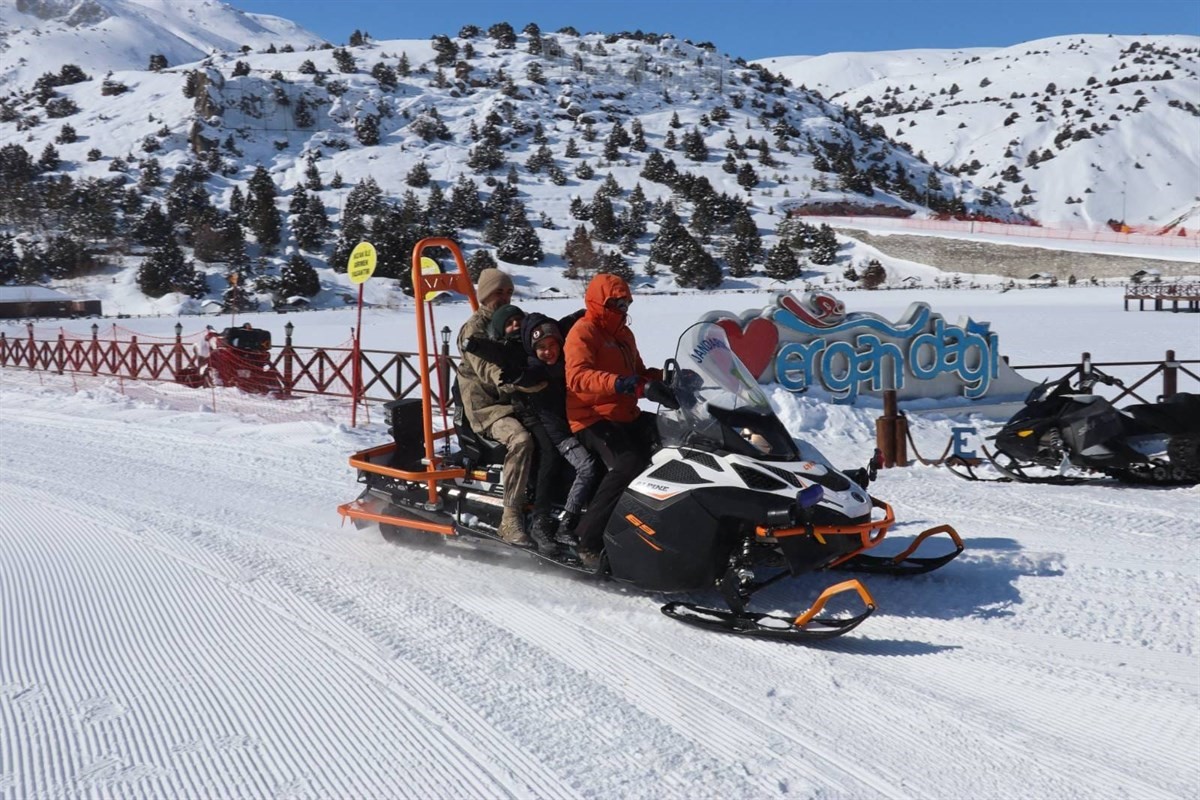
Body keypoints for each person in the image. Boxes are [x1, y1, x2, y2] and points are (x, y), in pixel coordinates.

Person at [564, 274, 669, 570]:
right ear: (599, 301)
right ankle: (587, 539)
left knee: (678, 439)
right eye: (615, 302)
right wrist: (624, 385)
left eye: (625, 302)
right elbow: (578, 377)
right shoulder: (583, 332)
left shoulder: (623, 334)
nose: (622, 307)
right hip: (590, 416)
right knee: (629, 462)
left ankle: (658, 521)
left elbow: (638, 373)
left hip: (625, 414)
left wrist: (664, 378)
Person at [456, 268, 535, 546]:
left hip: (515, 400)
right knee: (521, 439)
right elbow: (486, 366)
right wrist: (511, 379)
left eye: (509, 292)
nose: (505, 297)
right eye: (499, 292)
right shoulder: (473, 330)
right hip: (487, 408)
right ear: (485, 294)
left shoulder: (513, 321)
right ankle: (510, 518)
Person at [518, 312, 598, 551]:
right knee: (585, 466)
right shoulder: (538, 370)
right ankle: (560, 522)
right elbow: (534, 374)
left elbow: (568, 322)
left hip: (576, 425)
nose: (548, 351)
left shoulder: (567, 361)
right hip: (559, 433)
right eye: (541, 347)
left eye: (553, 345)